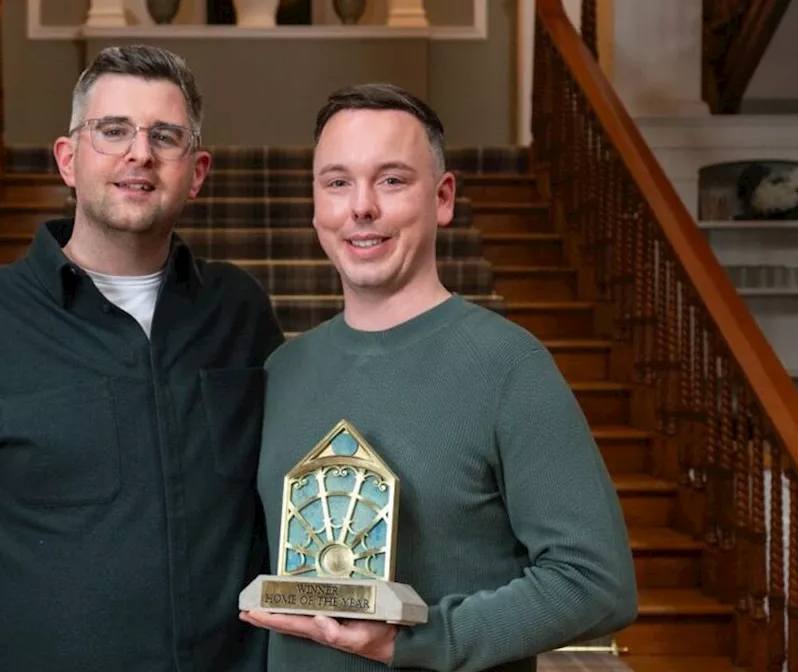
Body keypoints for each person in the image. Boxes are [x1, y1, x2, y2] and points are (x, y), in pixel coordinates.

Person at [0, 44, 284, 671]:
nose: (139, 153)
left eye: (165, 136)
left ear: (196, 172)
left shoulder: (240, 314)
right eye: (112, 130)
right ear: (68, 159)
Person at [240, 83, 638, 671]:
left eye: (393, 180)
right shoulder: (283, 370)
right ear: (317, 204)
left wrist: (417, 640)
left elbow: (596, 582)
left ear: (443, 197)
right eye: (338, 181)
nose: (362, 207)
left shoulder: (509, 366)